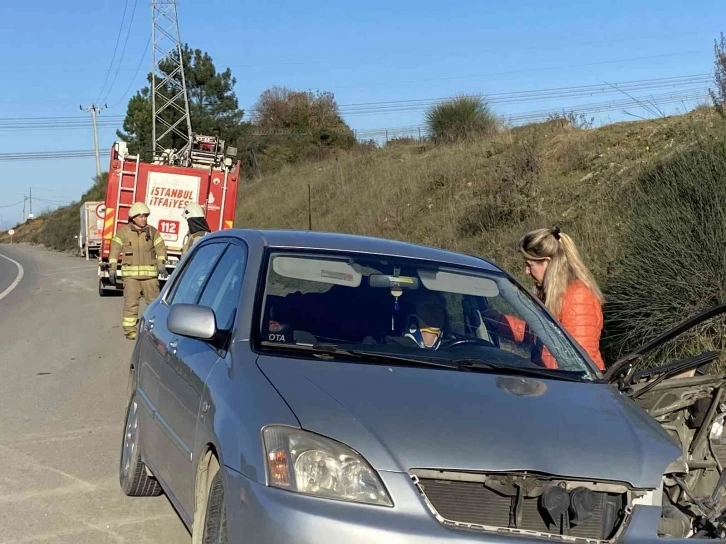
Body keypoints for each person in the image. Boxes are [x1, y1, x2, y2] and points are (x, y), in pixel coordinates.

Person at [487, 227, 605, 370]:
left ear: (547, 262)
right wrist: (496, 321)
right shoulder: (549, 295)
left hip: (569, 386)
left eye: (529, 265)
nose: (526, 271)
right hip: (550, 382)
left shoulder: (578, 297)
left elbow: (579, 363)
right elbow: (535, 332)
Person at [108, 202, 168, 340]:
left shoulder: (153, 232)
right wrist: (112, 269)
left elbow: (161, 249)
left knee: (154, 304)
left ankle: (155, 330)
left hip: (150, 277)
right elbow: (114, 251)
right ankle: (130, 331)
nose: (144, 219)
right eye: (141, 216)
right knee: (131, 303)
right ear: (133, 217)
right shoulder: (123, 233)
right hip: (131, 277)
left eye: (145, 216)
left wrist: (161, 264)